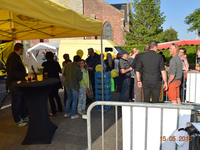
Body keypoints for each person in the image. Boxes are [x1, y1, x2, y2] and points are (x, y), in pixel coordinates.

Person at [6, 43, 28, 127]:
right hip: (13, 83)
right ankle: (17, 121)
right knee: (15, 102)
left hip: (18, 83)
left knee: (23, 99)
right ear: (20, 49)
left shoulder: (16, 57)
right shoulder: (13, 57)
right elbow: (14, 72)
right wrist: (25, 75)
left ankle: (24, 116)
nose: (23, 50)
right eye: (23, 49)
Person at [42, 52, 63, 116]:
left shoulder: (44, 64)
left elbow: (43, 73)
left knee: (51, 97)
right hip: (56, 81)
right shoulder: (56, 63)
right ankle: (60, 108)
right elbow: (60, 71)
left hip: (49, 82)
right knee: (56, 95)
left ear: (46, 57)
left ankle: (53, 112)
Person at [63, 55, 82, 119]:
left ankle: (66, 113)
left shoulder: (67, 66)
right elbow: (80, 78)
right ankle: (73, 114)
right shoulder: (78, 68)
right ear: (79, 61)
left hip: (67, 84)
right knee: (74, 100)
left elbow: (64, 74)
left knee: (69, 98)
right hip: (74, 85)